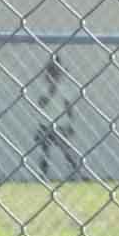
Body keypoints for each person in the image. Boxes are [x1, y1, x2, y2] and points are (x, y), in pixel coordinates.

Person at [30, 53, 79, 182]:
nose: (54, 75)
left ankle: (74, 174)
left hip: (61, 124)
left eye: (56, 72)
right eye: (52, 72)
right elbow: (41, 103)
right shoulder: (43, 87)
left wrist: (70, 124)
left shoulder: (65, 88)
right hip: (45, 124)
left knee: (66, 151)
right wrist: (52, 90)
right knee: (45, 151)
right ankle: (43, 175)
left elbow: (69, 107)